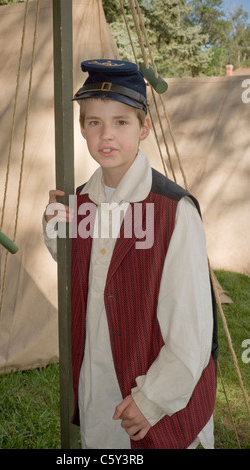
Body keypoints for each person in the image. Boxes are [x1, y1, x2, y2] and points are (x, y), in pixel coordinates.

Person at [43, 59, 218, 449]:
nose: (107, 135)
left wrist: (153, 398)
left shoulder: (174, 210)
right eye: (94, 122)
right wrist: (57, 231)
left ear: (144, 128)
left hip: (157, 393)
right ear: (82, 128)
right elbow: (84, 272)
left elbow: (192, 328)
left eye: (121, 122)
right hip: (99, 383)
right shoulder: (83, 201)